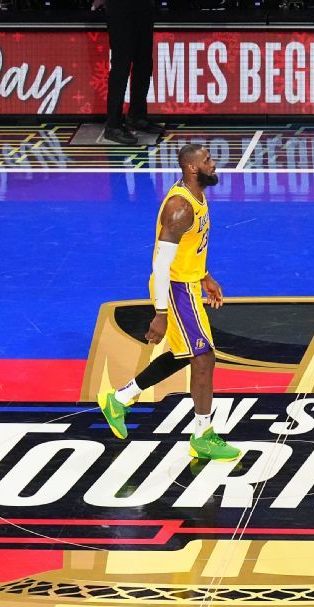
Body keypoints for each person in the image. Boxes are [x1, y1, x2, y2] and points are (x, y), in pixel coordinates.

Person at [98, 143, 241, 462]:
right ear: (191, 168)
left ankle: (118, 400)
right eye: (207, 160)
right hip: (175, 290)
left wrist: (205, 276)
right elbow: (161, 265)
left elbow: (190, 248)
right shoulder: (180, 208)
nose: (213, 164)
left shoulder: (197, 196)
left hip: (187, 283)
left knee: (185, 353)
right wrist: (161, 313)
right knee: (203, 357)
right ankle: (202, 436)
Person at [92, 0, 164, 146]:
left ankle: (137, 116)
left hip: (144, 8)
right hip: (120, 10)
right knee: (121, 67)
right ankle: (113, 125)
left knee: (144, 63)